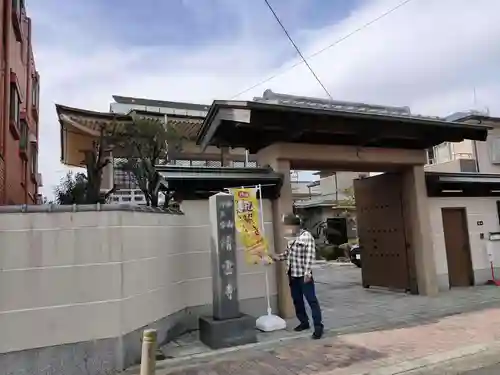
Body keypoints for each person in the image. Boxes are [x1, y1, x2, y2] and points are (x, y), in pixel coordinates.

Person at [273, 213, 324, 339]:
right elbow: (287, 254)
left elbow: (310, 256)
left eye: (288, 226)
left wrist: (307, 273)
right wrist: (275, 257)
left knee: (311, 300)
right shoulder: (290, 238)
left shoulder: (307, 237)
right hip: (292, 274)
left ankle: (318, 327)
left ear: (295, 226)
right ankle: (304, 322)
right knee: (297, 300)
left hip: (304, 275)